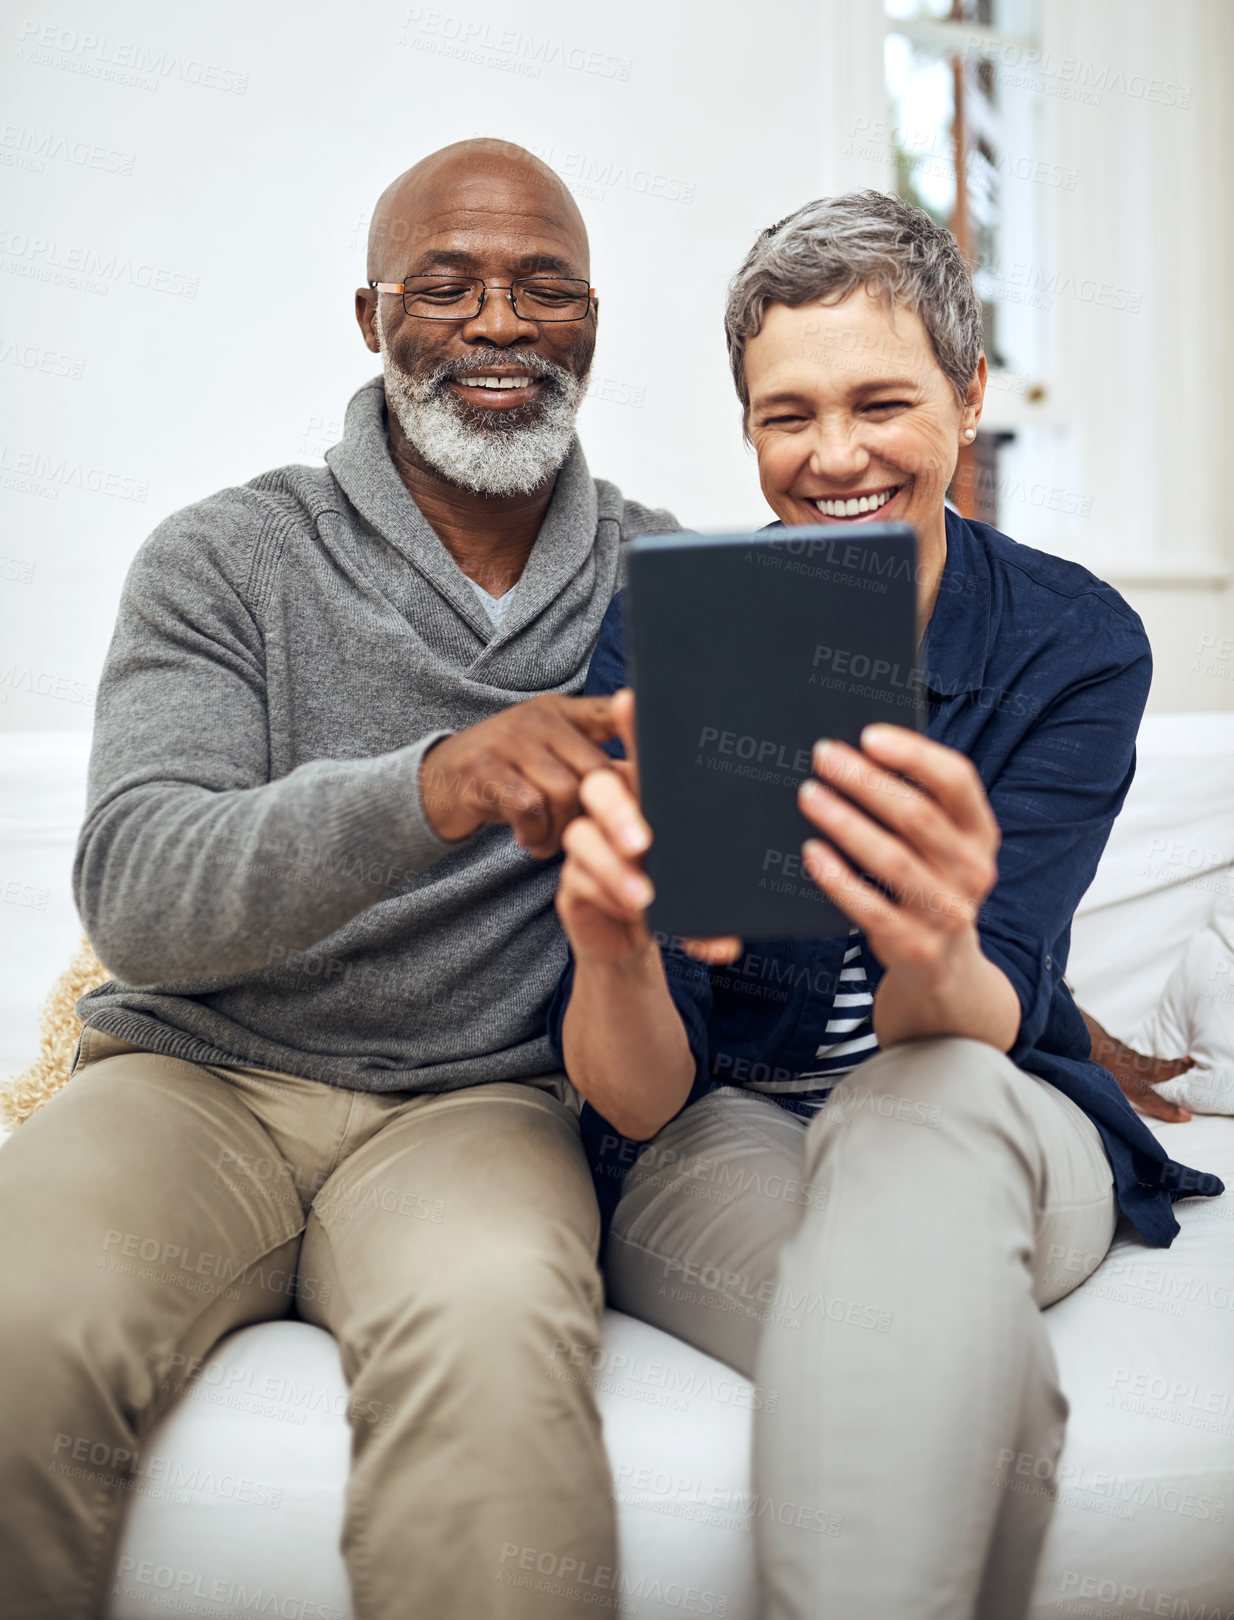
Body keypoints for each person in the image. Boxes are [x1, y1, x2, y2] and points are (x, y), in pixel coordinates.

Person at [0, 139, 680, 1620]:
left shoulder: (666, 581)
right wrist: (437, 782)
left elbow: (777, 887)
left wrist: (1033, 1018)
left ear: (592, 327)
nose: (499, 325)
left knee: (502, 1352)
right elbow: (140, 892)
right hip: (197, 1080)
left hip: (478, 1106)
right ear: (369, 321)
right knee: (17, 1326)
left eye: (542, 290)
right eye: (446, 287)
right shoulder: (225, 559)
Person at [547, 190, 1224, 1620]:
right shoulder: (661, 639)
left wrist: (926, 926)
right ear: (745, 428)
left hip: (978, 1097)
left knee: (919, 1119)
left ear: (967, 398)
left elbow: (985, 1008)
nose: (833, 455)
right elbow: (644, 1102)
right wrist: (608, 950)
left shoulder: (1069, 644)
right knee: (928, 1356)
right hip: (725, 1124)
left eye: (880, 402)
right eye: (785, 414)